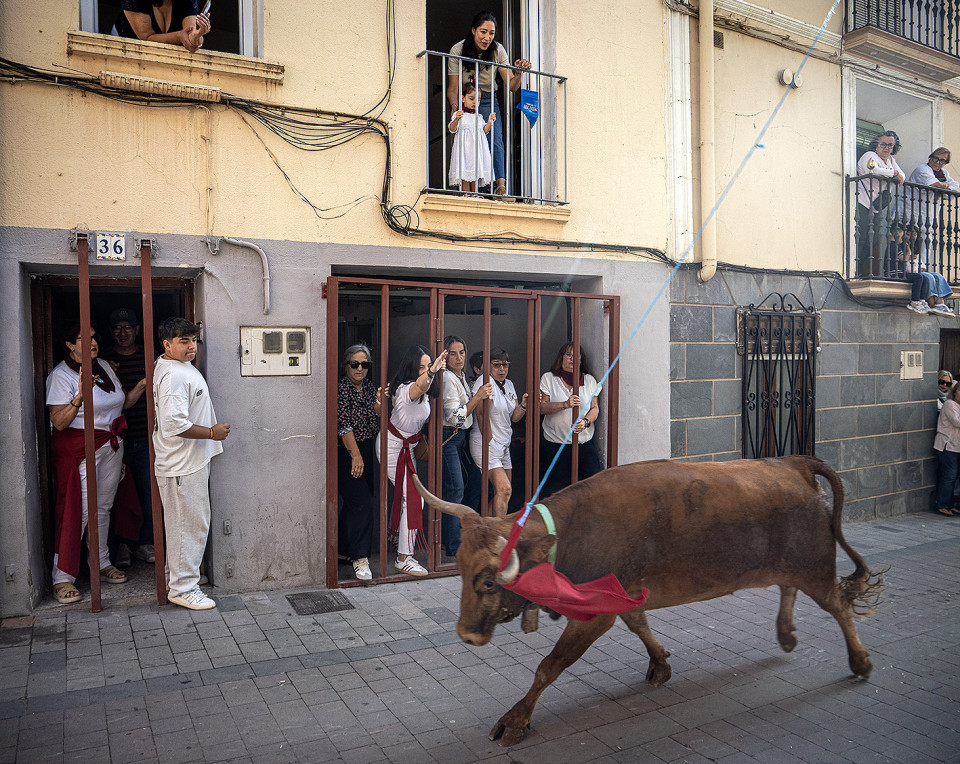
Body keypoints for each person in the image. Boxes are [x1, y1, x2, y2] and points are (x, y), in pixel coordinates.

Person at [46, 322, 144, 604]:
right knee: (79, 510)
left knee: (103, 507)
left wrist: (143, 383)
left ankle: (100, 562)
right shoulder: (61, 375)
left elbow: (122, 403)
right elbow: (58, 422)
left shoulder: (103, 366)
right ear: (69, 344)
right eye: (84, 339)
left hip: (110, 445)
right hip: (79, 449)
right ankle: (62, 576)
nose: (92, 342)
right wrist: (79, 396)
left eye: (94, 337)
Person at [153, 317, 230, 610]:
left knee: (186, 526)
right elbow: (175, 425)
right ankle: (183, 589)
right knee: (188, 527)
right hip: (181, 464)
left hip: (188, 462)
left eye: (193, 340)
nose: (191, 346)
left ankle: (179, 579)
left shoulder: (175, 366)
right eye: (183, 341)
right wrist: (212, 433)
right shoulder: (174, 375)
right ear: (167, 345)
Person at [377, 345, 447, 576]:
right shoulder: (405, 389)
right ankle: (403, 558)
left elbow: (425, 388)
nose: (426, 370)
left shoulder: (424, 391)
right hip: (393, 448)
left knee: (411, 498)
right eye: (421, 367)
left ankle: (400, 543)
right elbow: (419, 386)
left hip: (407, 449)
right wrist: (432, 371)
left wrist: (432, 374)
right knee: (415, 499)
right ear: (411, 368)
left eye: (429, 365)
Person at [446, 11, 532, 196]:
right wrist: (455, 108)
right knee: (466, 141)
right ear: (473, 30)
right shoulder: (458, 50)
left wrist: (518, 73)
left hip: (487, 98)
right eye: (483, 32)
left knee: (495, 138)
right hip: (466, 99)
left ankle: (500, 185)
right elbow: (452, 88)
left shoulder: (498, 50)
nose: (487, 38)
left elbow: (512, 86)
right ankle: (467, 188)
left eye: (491, 33)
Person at [101, 308, 156, 567]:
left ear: (137, 330)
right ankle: (122, 546)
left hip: (147, 439)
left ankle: (145, 543)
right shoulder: (104, 361)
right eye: (117, 328)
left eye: (127, 327)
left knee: (148, 493)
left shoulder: (151, 358)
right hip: (116, 440)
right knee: (117, 496)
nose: (122, 333)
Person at [337, 345, 385, 581]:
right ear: (346, 365)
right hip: (347, 451)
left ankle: (343, 549)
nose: (360, 369)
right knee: (361, 503)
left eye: (364, 364)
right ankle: (360, 557)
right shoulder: (341, 389)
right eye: (354, 364)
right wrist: (355, 456)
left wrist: (379, 403)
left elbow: (375, 419)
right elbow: (343, 424)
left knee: (355, 503)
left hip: (367, 448)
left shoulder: (368, 387)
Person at [440, 336, 492, 556]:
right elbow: (457, 418)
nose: (459, 358)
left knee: (464, 486)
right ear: (445, 356)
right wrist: (478, 396)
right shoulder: (447, 378)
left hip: (459, 439)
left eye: (461, 352)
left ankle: (454, 539)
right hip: (448, 438)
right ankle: (453, 546)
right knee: (455, 489)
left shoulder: (459, 376)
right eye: (453, 353)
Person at [538, 343, 603, 499]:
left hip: (583, 444)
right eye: (568, 355)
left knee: (595, 485)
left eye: (576, 355)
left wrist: (585, 422)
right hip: (556, 444)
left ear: (581, 359)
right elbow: (542, 408)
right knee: (557, 492)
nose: (572, 359)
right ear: (561, 358)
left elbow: (595, 408)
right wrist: (565, 404)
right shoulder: (549, 378)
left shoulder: (589, 380)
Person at [469, 347, 527, 516]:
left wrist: (524, 405)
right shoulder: (485, 381)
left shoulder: (509, 384)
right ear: (488, 366)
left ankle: (486, 528)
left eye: (505, 365)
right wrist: (490, 442)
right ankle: (499, 531)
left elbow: (514, 417)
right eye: (496, 365)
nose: (502, 369)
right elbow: (480, 414)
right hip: (486, 443)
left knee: (504, 493)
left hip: (504, 444)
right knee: (504, 489)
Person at [856, 131, 905, 277]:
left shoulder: (890, 161)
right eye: (883, 144)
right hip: (862, 203)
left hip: (876, 207)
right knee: (861, 238)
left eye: (890, 145)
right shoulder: (869, 155)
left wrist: (895, 173)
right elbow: (872, 170)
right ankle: (855, 270)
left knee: (874, 240)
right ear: (876, 145)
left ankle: (862, 270)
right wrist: (893, 174)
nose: (886, 148)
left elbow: (903, 176)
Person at [907, 147, 960, 266]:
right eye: (935, 158)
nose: (937, 162)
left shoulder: (944, 173)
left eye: (942, 160)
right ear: (930, 157)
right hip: (912, 211)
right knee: (910, 241)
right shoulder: (922, 169)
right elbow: (933, 184)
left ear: (945, 163)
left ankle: (922, 267)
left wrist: (944, 185)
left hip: (929, 214)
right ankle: (910, 268)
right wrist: (945, 186)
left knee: (927, 240)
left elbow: (955, 187)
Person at [894, 225, 955, 316]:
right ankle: (932, 305)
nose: (912, 237)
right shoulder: (901, 247)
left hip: (917, 271)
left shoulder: (914, 248)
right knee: (929, 277)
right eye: (909, 234)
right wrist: (909, 253)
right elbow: (903, 262)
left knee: (938, 276)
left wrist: (922, 267)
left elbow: (920, 263)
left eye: (914, 234)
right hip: (910, 273)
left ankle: (940, 304)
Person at [448, 82, 496, 194]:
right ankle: (466, 194)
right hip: (464, 150)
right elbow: (452, 128)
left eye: (478, 100)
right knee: (464, 171)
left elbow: (484, 130)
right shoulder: (459, 114)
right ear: (463, 98)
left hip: (476, 151)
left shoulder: (479, 117)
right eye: (471, 98)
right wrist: (456, 119)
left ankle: (474, 194)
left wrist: (489, 122)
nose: (475, 102)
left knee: (475, 172)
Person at [114, 0, 211, 53]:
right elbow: (146, 38)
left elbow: (190, 35)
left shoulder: (188, 1)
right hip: (124, 47)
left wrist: (197, 36)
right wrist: (179, 37)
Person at [933, 380, 960, 516]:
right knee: (950, 475)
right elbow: (957, 422)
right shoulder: (950, 404)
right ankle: (942, 504)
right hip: (947, 446)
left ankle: (952, 504)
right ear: (954, 392)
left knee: (955, 477)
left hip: (956, 447)